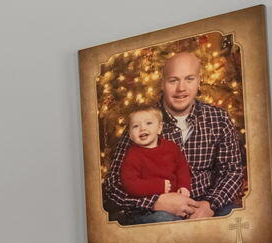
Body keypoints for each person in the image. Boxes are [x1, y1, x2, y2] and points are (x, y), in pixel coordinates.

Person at [102, 50, 246, 221]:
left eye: (189, 79)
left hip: (207, 203)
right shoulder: (142, 124)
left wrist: (209, 205)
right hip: (159, 209)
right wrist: (156, 202)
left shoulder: (218, 119)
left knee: (241, 217)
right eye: (173, 80)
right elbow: (113, 186)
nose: (181, 88)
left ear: (199, 81)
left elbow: (232, 172)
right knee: (162, 221)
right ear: (162, 84)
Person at [113, 107, 192, 224]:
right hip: (145, 210)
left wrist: (184, 186)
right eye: (136, 126)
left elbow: (182, 168)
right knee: (163, 219)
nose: (142, 128)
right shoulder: (132, 155)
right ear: (130, 134)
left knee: (190, 218)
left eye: (148, 123)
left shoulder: (171, 147)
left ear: (159, 128)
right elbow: (129, 184)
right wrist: (158, 186)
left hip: (176, 202)